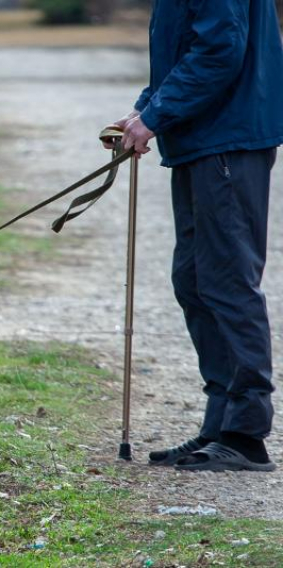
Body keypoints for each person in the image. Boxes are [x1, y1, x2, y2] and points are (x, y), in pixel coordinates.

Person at [105, 1, 283, 472]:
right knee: (195, 280)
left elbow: (219, 50)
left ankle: (245, 435)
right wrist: (144, 111)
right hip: (203, 139)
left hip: (227, 137)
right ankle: (219, 424)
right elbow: (183, 50)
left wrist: (158, 115)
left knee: (226, 282)